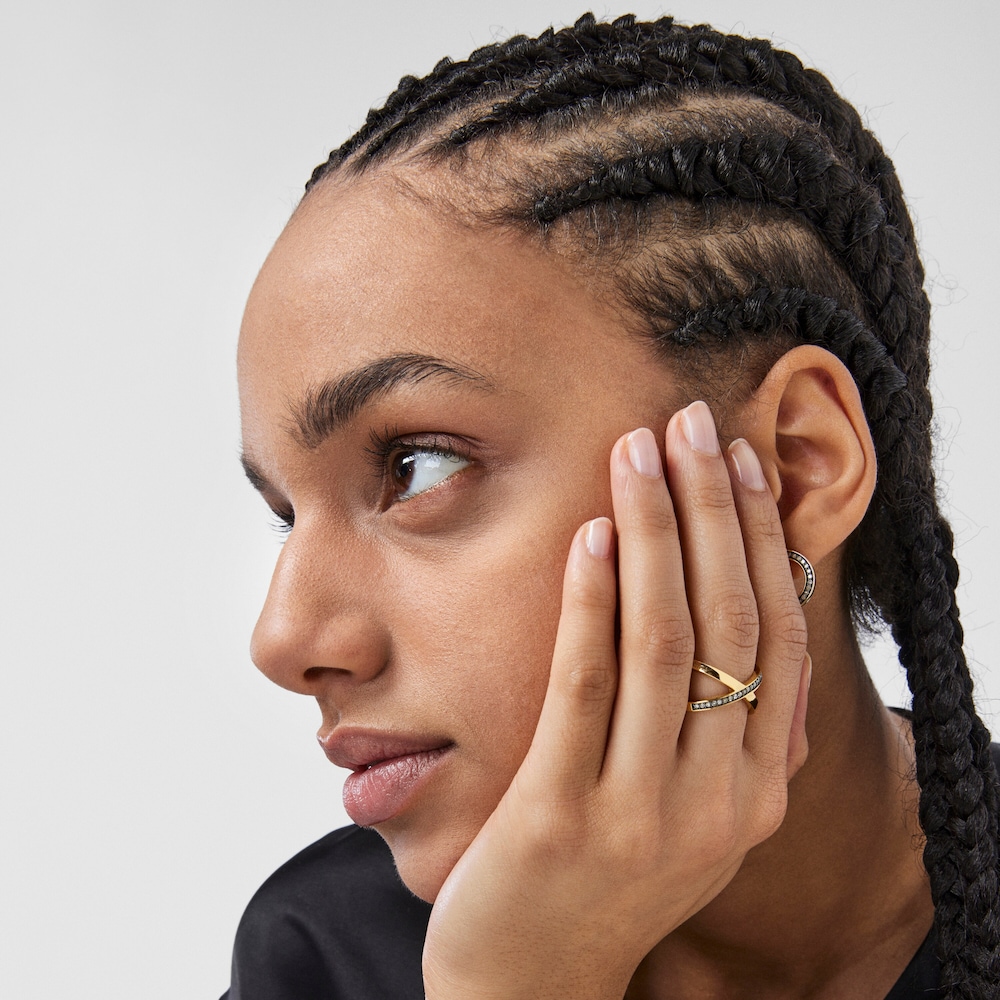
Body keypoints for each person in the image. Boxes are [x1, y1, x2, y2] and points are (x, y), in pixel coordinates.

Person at [223, 13, 1000, 999]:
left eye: (418, 466)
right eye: (290, 514)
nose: (283, 639)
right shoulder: (324, 956)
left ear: (794, 469)